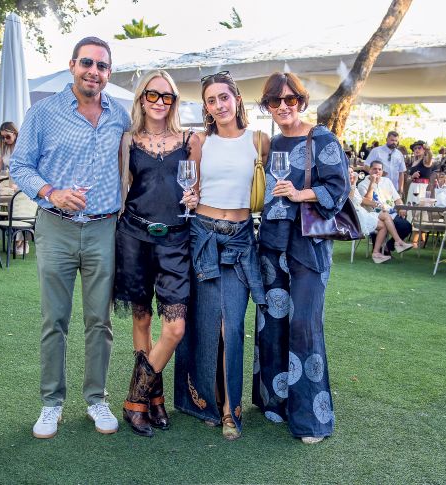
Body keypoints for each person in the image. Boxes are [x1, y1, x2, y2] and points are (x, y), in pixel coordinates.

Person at [9, 36, 131, 439]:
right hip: (56, 226)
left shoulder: (120, 116)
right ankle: (51, 403)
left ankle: (96, 398)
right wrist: (51, 192)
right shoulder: (43, 113)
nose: (93, 71)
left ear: (108, 73)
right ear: (72, 65)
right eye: (87, 63)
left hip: (103, 228)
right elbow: (20, 166)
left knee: (100, 321)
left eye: (101, 66)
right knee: (54, 320)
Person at [252, 72, 347, 444]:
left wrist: (299, 193)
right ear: (267, 106)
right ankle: (275, 402)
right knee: (272, 324)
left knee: (304, 325)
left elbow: (338, 189)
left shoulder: (321, 139)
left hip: (309, 247)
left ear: (302, 102)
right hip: (272, 244)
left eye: (290, 100)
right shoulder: (272, 142)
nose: (283, 107)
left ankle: (311, 419)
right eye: (275, 101)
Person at [173, 70, 268, 441]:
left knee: (232, 324)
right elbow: (193, 188)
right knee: (207, 322)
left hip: (241, 240)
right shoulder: (200, 141)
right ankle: (206, 403)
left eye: (223, 97)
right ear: (206, 107)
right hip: (203, 235)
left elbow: (272, 184)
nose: (218, 105)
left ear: (237, 99)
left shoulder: (259, 140)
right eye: (211, 101)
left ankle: (231, 409)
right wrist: (190, 197)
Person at [113, 70, 201, 437]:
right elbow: (123, 187)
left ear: (175, 102)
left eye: (167, 96)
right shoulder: (128, 140)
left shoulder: (191, 140)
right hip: (134, 236)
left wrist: (195, 198)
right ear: (141, 98)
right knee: (142, 319)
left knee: (175, 327)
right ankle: (156, 398)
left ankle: (136, 398)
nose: (160, 102)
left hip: (176, 240)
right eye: (153, 94)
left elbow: (197, 190)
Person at [347, 166, 412, 263]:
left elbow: (362, 200)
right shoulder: (346, 185)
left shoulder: (386, 181)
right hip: (355, 216)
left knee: (384, 222)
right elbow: (350, 200)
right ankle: (397, 244)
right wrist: (354, 183)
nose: (352, 174)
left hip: (366, 212)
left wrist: (378, 204)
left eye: (352, 172)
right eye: (349, 173)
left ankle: (379, 252)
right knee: (384, 219)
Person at [363, 130, 406, 196]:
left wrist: (401, 189)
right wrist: (377, 173)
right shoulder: (376, 151)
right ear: (386, 139)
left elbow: (401, 172)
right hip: (378, 187)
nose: (394, 142)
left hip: (394, 189)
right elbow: (366, 166)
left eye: (396, 141)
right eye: (392, 140)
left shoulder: (399, 154)